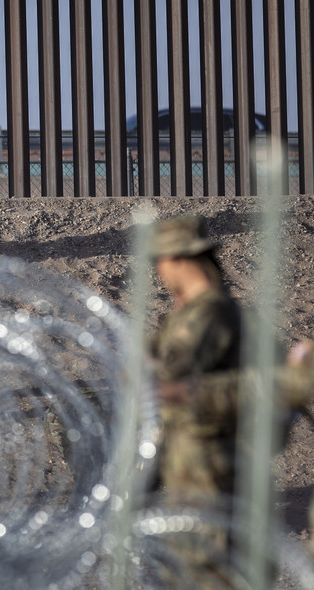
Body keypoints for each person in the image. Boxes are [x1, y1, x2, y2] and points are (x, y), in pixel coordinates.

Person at [148, 215, 243, 506]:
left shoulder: (208, 313)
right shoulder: (194, 310)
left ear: (176, 258)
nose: (159, 271)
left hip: (205, 460)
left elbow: (171, 374)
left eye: (159, 261)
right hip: (188, 452)